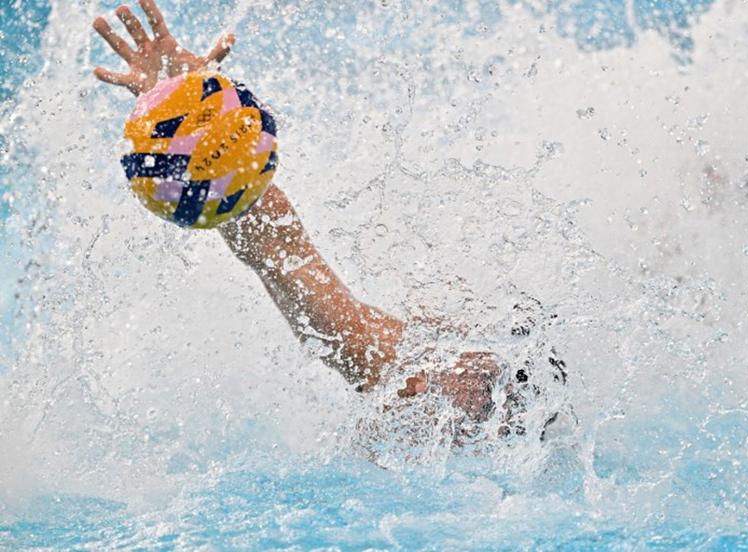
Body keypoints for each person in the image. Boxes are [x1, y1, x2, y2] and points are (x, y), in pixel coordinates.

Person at [91, 0, 560, 429]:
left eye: (453, 352)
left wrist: (205, 141)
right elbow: (284, 257)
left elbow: (288, 263)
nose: (428, 332)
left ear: (482, 394)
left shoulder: (417, 394)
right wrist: (200, 120)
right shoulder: (427, 408)